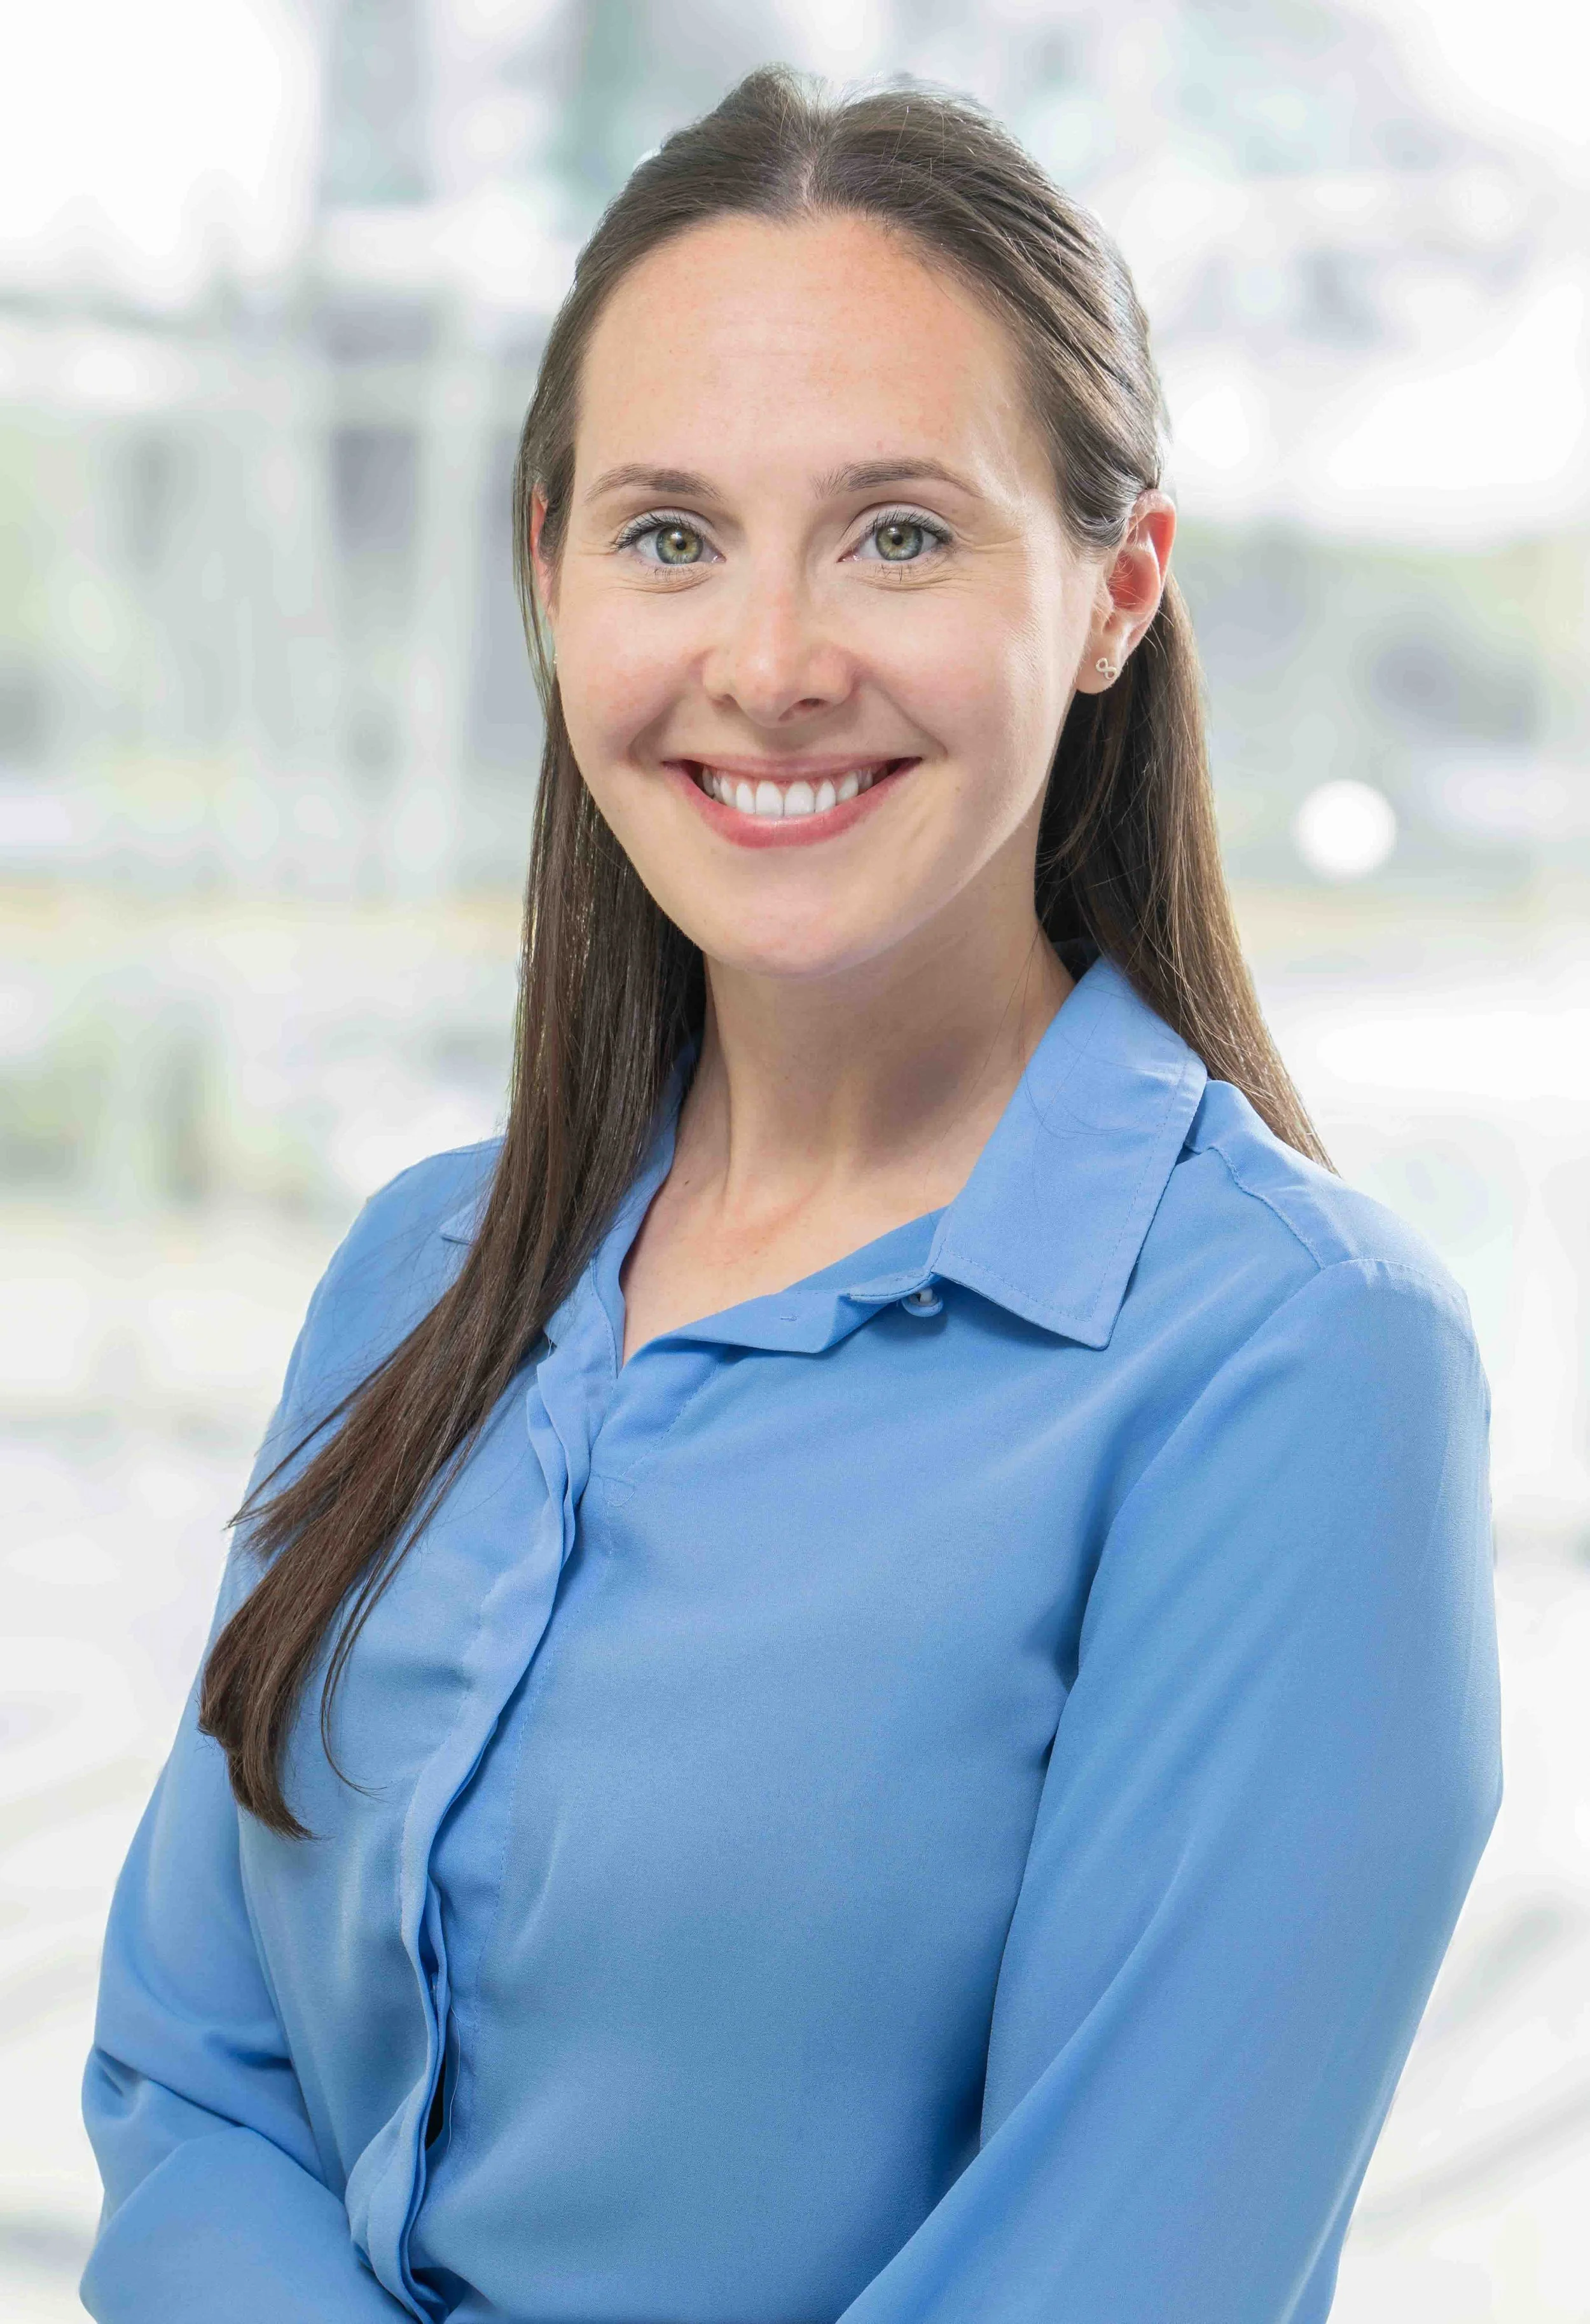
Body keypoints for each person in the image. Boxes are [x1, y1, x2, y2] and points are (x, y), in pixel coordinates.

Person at [80, 67, 1500, 2324]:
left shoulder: (1292, 1366)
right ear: (544, 578)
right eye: (668, 534)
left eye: (899, 533)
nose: (767, 660)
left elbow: (1113, 2275)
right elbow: (192, 2088)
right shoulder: (414, 1275)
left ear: (1115, 587)